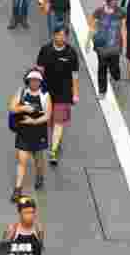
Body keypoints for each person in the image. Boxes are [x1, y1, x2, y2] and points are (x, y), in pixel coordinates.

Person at [36, 27, 79, 165]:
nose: (61, 37)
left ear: (67, 37)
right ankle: (56, 140)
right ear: (53, 35)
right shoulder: (45, 50)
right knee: (50, 122)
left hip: (64, 93)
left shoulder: (71, 53)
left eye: (63, 35)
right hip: (47, 91)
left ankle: (53, 151)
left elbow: (75, 75)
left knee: (59, 122)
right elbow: (39, 71)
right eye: (58, 35)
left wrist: (75, 93)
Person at [8, 68, 52, 200]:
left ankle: (39, 176)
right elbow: (11, 107)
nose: (34, 83)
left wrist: (34, 121)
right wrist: (23, 108)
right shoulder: (21, 92)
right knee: (21, 160)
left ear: (40, 82)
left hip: (38, 131)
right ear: (28, 81)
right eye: (32, 80)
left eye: (37, 80)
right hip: (23, 131)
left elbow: (48, 116)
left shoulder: (45, 96)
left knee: (38, 160)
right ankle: (18, 189)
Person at [88, 0, 127, 97]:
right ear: (108, 0)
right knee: (102, 68)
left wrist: (124, 45)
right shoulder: (99, 12)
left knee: (114, 68)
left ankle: (116, 76)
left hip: (115, 46)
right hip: (102, 47)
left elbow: (123, 29)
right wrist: (88, 41)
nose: (115, 1)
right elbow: (92, 26)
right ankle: (102, 91)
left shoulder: (121, 12)